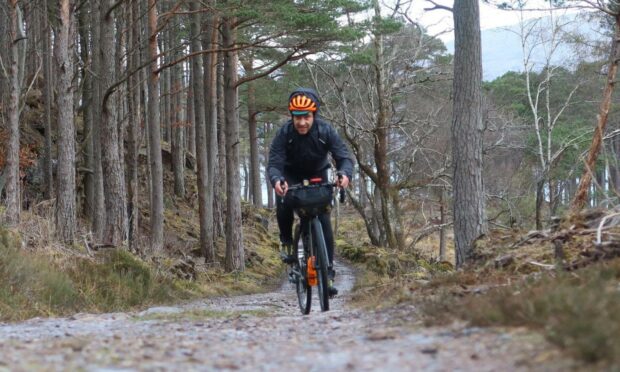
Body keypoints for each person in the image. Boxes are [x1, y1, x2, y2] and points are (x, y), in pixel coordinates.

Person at [267, 88, 354, 296]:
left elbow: (344, 156)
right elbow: (275, 162)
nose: (302, 123)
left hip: (318, 173)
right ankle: (287, 242)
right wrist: (277, 179)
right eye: (297, 117)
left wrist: (344, 174)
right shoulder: (284, 133)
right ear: (292, 117)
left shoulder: (325, 131)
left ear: (314, 115)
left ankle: (328, 271)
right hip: (291, 175)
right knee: (283, 201)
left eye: (306, 117)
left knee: (323, 217)